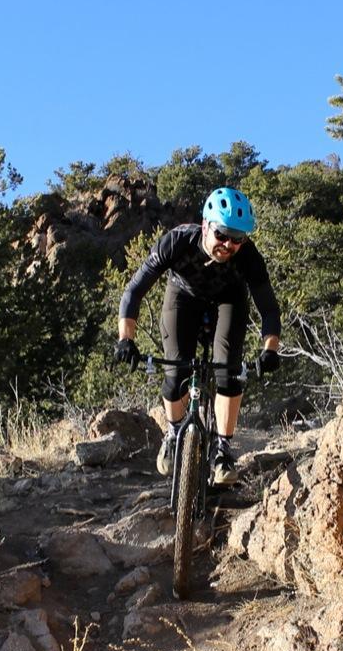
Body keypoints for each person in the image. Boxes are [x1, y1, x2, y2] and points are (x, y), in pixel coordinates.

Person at [114, 187, 281, 486]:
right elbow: (134, 291)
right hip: (183, 296)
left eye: (237, 238)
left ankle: (223, 450)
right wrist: (126, 339)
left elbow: (268, 308)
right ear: (206, 225)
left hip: (229, 299)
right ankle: (174, 431)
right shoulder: (177, 242)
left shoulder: (249, 257)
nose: (228, 245)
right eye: (222, 235)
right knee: (175, 372)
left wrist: (270, 350)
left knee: (228, 373)